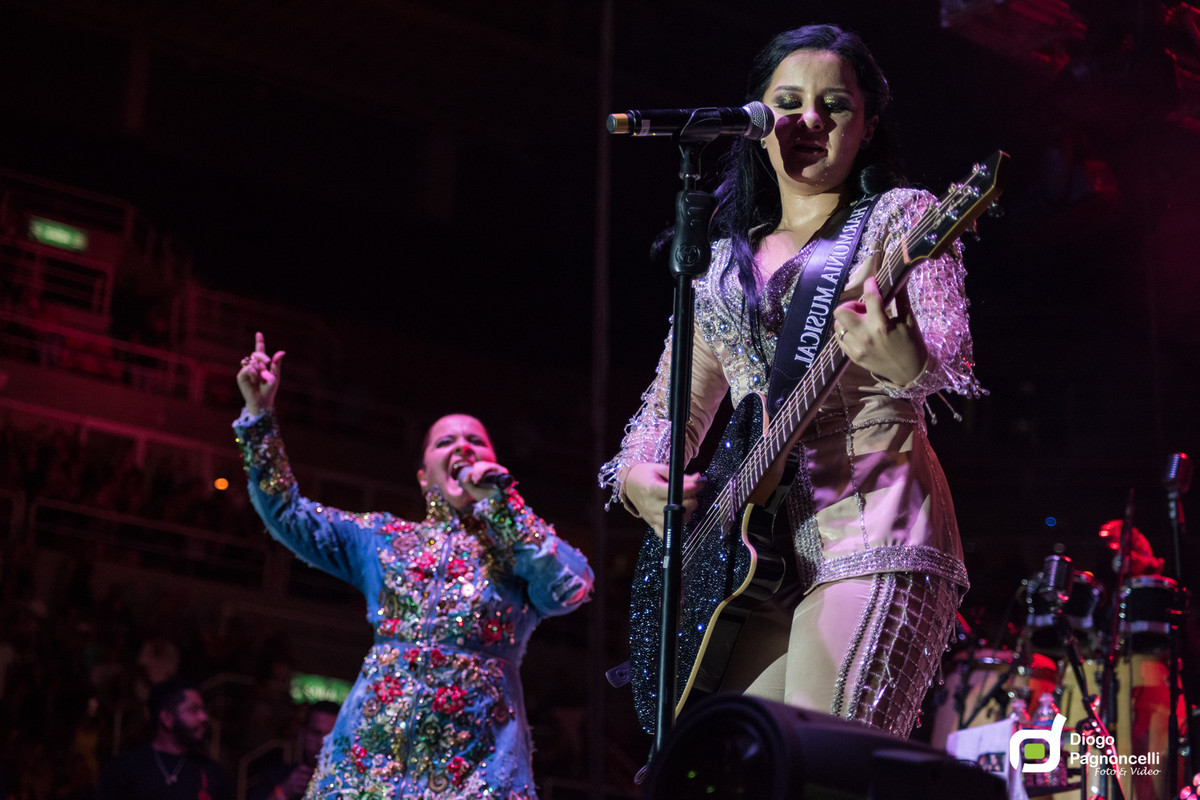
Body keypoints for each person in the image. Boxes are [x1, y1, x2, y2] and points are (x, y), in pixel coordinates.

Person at [600, 23, 984, 738]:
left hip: (872, 526)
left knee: (820, 771)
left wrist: (905, 361)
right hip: (747, 559)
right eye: (788, 100)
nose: (809, 119)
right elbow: (668, 411)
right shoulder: (720, 266)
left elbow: (947, 359)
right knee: (728, 767)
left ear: (868, 127)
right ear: (754, 120)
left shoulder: (900, 221)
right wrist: (637, 479)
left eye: (834, 105)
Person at [234, 332, 594, 799]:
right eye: (446, 441)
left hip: (478, 771)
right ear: (424, 474)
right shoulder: (383, 540)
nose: (463, 448)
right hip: (371, 765)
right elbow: (288, 514)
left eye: (476, 442)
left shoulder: (520, 548)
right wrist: (260, 417)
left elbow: (570, 587)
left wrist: (505, 508)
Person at [92, 678, 234, 800]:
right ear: (167, 719)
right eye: (193, 710)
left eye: (203, 710)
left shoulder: (213, 772)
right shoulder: (126, 768)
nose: (204, 717)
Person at [248, 701, 339, 800]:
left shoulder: (351, 781)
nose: (322, 742)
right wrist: (284, 792)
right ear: (302, 734)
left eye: (330, 736)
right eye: (316, 733)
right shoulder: (277, 777)